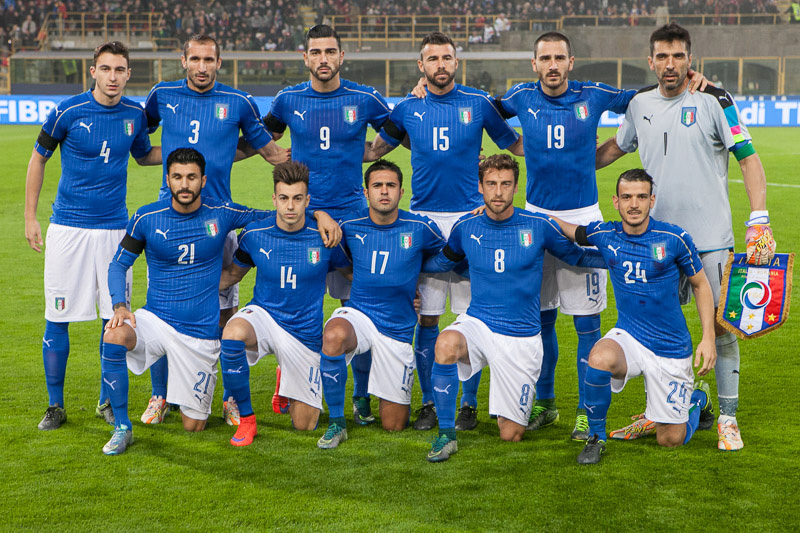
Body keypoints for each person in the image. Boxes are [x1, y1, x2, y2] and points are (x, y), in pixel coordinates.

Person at [413, 30, 706, 441]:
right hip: (534, 219)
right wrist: (425, 90)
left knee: (587, 323)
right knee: (541, 317)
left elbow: (643, 96)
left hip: (583, 217)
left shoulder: (596, 94)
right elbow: (474, 107)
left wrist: (688, 78)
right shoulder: (519, 97)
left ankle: (586, 414)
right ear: (534, 65)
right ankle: (545, 403)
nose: (552, 65)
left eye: (559, 58)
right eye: (544, 58)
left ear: (571, 63)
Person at [596, 23, 776, 451]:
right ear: (651, 60)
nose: (671, 64)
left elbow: (749, 159)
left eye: (678, 56)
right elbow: (614, 150)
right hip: (652, 239)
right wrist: (562, 169)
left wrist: (760, 218)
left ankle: (728, 417)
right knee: (649, 324)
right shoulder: (639, 104)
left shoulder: (715, 99)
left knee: (722, 327)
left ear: (689, 59)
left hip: (710, 239)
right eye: (662, 56)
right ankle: (658, 408)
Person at [98, 149, 336, 455]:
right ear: (167, 180)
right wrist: (119, 306)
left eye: (192, 177)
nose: (185, 184)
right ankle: (121, 427)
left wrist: (319, 214)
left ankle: (277, 382)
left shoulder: (221, 213)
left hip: (199, 334)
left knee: (194, 425)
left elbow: (276, 214)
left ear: (203, 180)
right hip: (155, 319)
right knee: (114, 335)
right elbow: (118, 264)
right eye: (178, 177)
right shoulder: (146, 217)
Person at [367, 32, 522, 433]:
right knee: (429, 319)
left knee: (472, 316)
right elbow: (374, 150)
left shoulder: (478, 104)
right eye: (432, 58)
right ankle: (431, 401)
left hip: (472, 221)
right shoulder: (407, 107)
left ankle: (468, 403)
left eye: (446, 57)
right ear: (421, 66)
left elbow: (515, 145)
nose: (440, 64)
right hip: (424, 223)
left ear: (457, 63)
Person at [239, 24, 391, 425]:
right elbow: (261, 136)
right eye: (315, 52)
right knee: (295, 304)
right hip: (299, 217)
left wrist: (374, 150)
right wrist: (248, 154)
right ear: (305, 58)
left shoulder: (364, 97)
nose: (323, 59)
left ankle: (358, 396)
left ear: (342, 56)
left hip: (354, 219)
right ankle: (288, 374)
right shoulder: (288, 99)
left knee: (355, 308)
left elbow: (400, 129)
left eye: (330, 51)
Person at [142, 33, 290, 427]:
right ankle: (161, 394)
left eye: (209, 60)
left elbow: (271, 152)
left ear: (219, 62)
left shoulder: (238, 102)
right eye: (195, 59)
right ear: (183, 60)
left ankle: (228, 397)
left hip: (218, 222)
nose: (202, 67)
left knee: (225, 310)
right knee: (162, 308)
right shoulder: (162, 95)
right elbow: (141, 142)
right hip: (167, 219)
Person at [420, 154, 605, 463]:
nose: (498, 192)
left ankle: (520, 407)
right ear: (480, 187)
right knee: (446, 342)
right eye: (491, 184)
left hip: (521, 337)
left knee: (511, 434)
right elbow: (443, 263)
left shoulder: (538, 225)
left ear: (516, 187)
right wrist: (404, 267)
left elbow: (577, 257)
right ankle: (446, 435)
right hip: (479, 324)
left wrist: (621, 259)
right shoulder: (465, 226)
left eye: (505, 184)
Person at [24, 41, 161, 431]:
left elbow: (142, 154)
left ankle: (107, 399)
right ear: (93, 71)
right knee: (58, 316)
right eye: (106, 69)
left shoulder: (135, 113)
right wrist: (30, 216)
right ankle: (55, 405)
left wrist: (184, 149)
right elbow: (39, 158)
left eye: (120, 70)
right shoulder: (67, 111)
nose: (113, 77)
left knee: (113, 320)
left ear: (128, 74)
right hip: (68, 229)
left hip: (114, 231)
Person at [552, 169, 716, 464]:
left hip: (670, 346)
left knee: (670, 440)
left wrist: (708, 338)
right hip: (629, 335)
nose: (634, 204)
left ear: (652, 200)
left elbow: (701, 284)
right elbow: (572, 231)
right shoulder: (605, 233)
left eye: (641, 196)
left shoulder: (674, 238)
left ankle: (697, 399)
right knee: (598, 359)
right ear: (616, 201)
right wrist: (530, 217)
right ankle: (596, 437)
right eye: (627, 197)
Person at [316, 160, 447, 449]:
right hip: (360, 315)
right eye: (377, 186)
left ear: (402, 192)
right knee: (334, 334)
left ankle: (379, 397)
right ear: (366, 192)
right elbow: (306, 227)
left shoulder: (421, 226)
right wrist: (320, 213)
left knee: (394, 425)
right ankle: (337, 423)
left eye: (390, 185)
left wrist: (412, 276)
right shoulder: (350, 225)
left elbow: (450, 255)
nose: (384, 192)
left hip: (398, 329)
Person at [217, 161, 350, 446]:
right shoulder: (253, 234)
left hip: (304, 333)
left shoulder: (325, 238)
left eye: (298, 199)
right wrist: (185, 282)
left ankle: (285, 378)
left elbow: (352, 277)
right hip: (264, 316)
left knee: (305, 425)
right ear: (274, 198)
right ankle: (248, 421)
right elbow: (231, 276)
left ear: (307, 201)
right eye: (284, 198)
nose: (290, 206)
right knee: (232, 332)